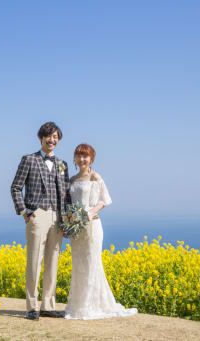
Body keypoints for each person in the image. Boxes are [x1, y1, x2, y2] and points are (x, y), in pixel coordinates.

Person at [65, 143, 138, 320]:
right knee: (79, 265)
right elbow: (68, 203)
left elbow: (104, 200)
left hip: (92, 226)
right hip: (77, 229)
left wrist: (89, 213)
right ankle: (78, 306)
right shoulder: (72, 180)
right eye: (79, 155)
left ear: (91, 158)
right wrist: (70, 217)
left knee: (92, 263)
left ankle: (91, 306)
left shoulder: (95, 176)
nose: (82, 159)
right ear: (74, 158)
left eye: (85, 156)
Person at [10, 122, 71, 320]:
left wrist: (68, 218)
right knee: (34, 262)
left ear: (58, 140)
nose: (52, 140)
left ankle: (48, 305)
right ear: (41, 138)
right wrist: (24, 211)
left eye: (55, 137)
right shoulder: (29, 159)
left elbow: (67, 194)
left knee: (53, 262)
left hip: (58, 217)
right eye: (49, 136)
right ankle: (32, 307)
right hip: (37, 215)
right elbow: (15, 187)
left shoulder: (63, 164)